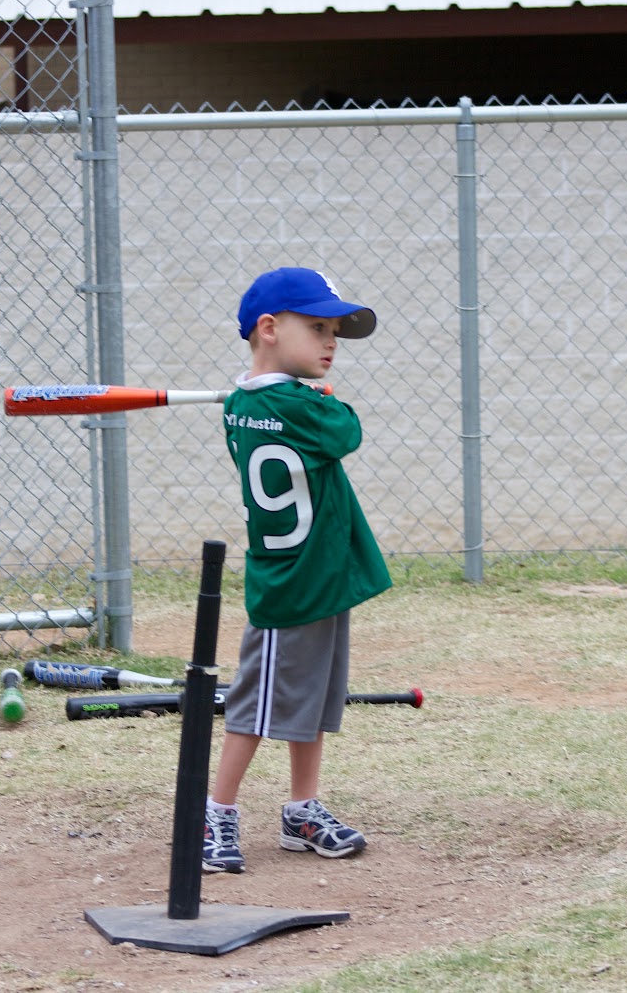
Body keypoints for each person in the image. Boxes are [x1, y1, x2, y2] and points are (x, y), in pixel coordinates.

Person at [203, 266, 393, 874]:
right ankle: (216, 813)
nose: (330, 343)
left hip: (315, 577)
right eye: (316, 328)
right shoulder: (299, 406)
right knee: (255, 711)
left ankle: (302, 810)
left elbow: (301, 421)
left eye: (333, 330)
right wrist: (324, 400)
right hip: (293, 585)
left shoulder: (244, 404)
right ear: (268, 329)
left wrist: (307, 393)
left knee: (308, 701)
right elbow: (348, 431)